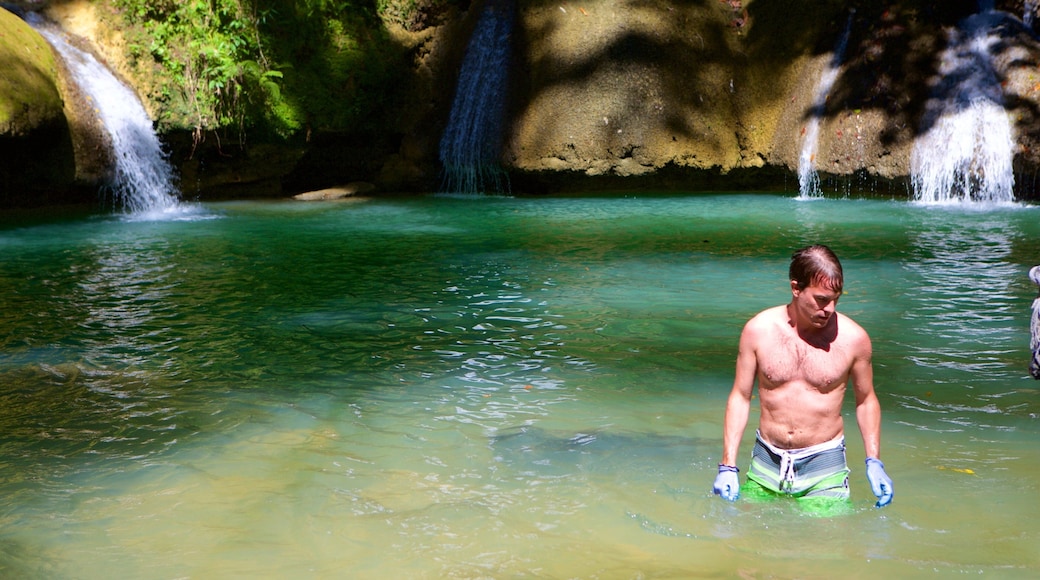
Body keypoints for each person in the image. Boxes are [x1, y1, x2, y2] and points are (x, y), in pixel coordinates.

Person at [712, 245, 893, 507]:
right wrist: (727, 466)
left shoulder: (854, 339)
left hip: (824, 465)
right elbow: (740, 397)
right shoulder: (758, 330)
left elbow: (866, 400)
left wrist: (874, 461)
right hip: (766, 461)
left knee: (826, 533)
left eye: (836, 299)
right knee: (746, 530)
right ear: (796, 288)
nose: (829, 308)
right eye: (821, 299)